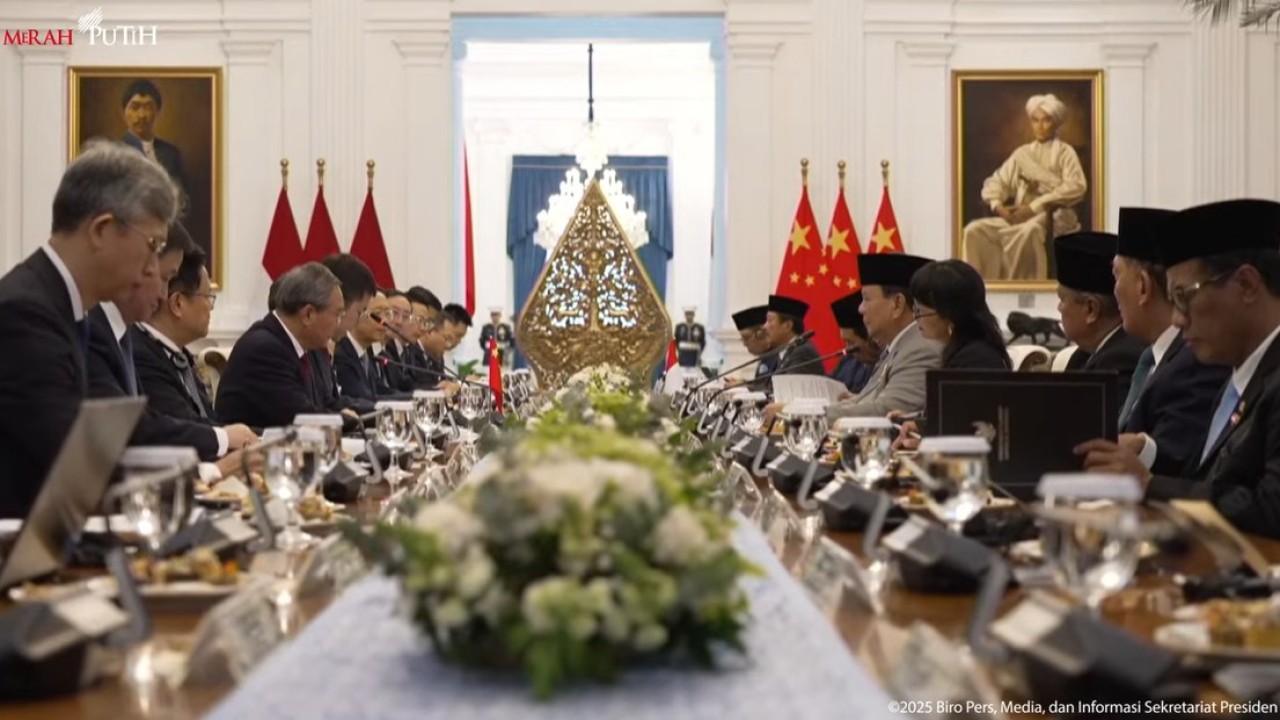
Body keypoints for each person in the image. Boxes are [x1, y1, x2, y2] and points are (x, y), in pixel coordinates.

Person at [1076, 199, 1280, 538]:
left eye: (1184, 297)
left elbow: (1271, 510)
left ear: (1246, 284)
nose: (1176, 318)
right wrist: (1145, 457)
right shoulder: (1239, 377)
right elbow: (1209, 482)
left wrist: (1149, 485)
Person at [0, 140, 178, 518]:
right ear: (101, 229)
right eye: (153, 244)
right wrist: (187, 481)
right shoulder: (25, 313)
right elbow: (70, 464)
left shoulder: (59, 304)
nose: (152, 268)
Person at [1071, 207, 1230, 477]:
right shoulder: (1157, 358)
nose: (1113, 290)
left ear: (1143, 286)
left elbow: (1181, 464)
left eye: (1116, 276)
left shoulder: (1193, 361)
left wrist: (1144, 451)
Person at [86, 223, 256, 467]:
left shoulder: (125, 335)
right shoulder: (104, 334)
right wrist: (217, 462)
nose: (162, 294)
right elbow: (135, 432)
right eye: (164, 278)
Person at [962, 94, 1088, 281]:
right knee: (974, 231)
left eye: (1045, 120)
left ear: (1055, 123)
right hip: (1017, 216)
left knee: (1028, 233)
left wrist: (1035, 207)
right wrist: (999, 207)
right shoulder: (1022, 154)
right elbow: (997, 182)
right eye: (1035, 120)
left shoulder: (1065, 152)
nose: (1040, 126)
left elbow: (1076, 186)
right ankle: (978, 288)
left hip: (1052, 216)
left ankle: (1024, 286)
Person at [216, 263, 346, 429]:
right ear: (308, 314)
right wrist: (348, 421)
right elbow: (301, 418)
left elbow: (325, 402)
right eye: (337, 314)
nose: (339, 323)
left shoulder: (305, 346)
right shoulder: (264, 350)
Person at [828, 254, 943, 419]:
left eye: (866, 299)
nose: (860, 309)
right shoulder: (896, 347)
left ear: (897, 304)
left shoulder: (922, 349)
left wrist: (805, 416)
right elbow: (868, 402)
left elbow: (886, 411)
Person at [1054, 232, 1147, 399]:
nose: (1058, 308)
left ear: (1091, 309)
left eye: (1062, 299)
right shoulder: (1083, 356)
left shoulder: (1119, 361)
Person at [134, 242, 219, 421]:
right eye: (208, 297)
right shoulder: (141, 356)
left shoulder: (181, 357)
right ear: (177, 303)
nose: (211, 307)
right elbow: (185, 426)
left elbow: (209, 425)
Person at [907, 260, 1012, 370]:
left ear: (949, 315)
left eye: (919, 311)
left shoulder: (974, 360)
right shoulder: (966, 351)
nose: (916, 319)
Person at [311, 253, 378, 416]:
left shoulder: (321, 346)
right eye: (360, 312)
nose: (358, 321)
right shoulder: (311, 346)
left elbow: (333, 401)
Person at [118, 79, 188, 207]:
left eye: (148, 107)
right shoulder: (114, 153)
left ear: (157, 112)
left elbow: (184, 200)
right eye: (135, 107)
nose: (142, 115)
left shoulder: (171, 153)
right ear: (123, 113)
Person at [335, 291, 397, 402]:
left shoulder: (366, 352)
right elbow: (362, 397)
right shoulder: (341, 353)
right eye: (377, 314)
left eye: (388, 313)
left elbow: (382, 391)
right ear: (358, 313)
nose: (384, 321)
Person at [829, 291, 881, 393]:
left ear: (870, 339)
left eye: (851, 342)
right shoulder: (847, 361)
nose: (848, 349)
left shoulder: (885, 364)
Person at [764, 294, 823, 378]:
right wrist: (746, 384)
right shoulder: (787, 349)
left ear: (787, 326)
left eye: (769, 320)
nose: (764, 327)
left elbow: (786, 387)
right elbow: (769, 384)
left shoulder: (802, 352)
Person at [728, 304, 776, 391]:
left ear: (761, 334)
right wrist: (743, 383)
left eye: (746, 338)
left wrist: (745, 386)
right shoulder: (766, 356)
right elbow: (763, 384)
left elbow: (773, 390)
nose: (745, 344)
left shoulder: (780, 355)